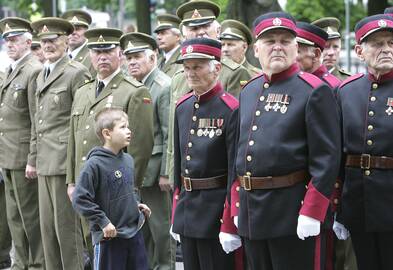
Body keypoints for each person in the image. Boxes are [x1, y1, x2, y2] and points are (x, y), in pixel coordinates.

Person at [224, 12, 341, 270]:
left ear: (296, 47)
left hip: (292, 213)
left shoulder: (313, 90)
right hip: (251, 213)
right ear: (256, 49)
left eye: (285, 41)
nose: (277, 46)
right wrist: (232, 210)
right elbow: (238, 158)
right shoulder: (249, 90)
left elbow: (327, 159)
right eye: (270, 41)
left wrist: (312, 210)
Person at [171, 37, 239, 270]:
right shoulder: (182, 106)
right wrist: (176, 211)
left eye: (198, 66)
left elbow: (234, 170)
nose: (191, 73)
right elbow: (178, 165)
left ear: (216, 68)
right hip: (187, 209)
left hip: (215, 210)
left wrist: (230, 219)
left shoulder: (230, 109)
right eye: (187, 67)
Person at [30, 17, 91, 270]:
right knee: (48, 231)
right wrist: (32, 159)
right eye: (43, 41)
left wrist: (76, 171)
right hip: (45, 161)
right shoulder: (41, 74)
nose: (48, 45)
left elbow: (83, 123)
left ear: (66, 41)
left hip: (65, 161)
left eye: (53, 40)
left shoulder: (76, 73)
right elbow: (37, 121)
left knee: (67, 231)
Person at [335, 14, 393, 270]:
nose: (386, 49)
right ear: (359, 51)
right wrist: (338, 203)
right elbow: (336, 152)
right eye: (377, 44)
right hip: (358, 201)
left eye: (391, 43)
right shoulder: (346, 91)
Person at [120, 32, 175, 270]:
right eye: (128, 57)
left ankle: (165, 267)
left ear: (152, 57)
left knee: (161, 229)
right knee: (141, 229)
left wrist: (166, 172)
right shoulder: (131, 85)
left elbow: (168, 132)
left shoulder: (162, 86)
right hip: (134, 168)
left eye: (137, 56)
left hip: (155, 171)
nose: (132, 62)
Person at [72, 107, 151, 270]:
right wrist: (103, 222)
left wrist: (136, 205)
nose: (129, 131)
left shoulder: (128, 160)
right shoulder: (93, 165)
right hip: (109, 239)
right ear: (107, 134)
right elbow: (80, 198)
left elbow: (127, 191)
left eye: (128, 126)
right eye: (122, 127)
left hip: (133, 234)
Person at [0, 17, 45, 270]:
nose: (9, 43)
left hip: (22, 156)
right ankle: (22, 263)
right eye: (7, 39)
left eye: (15, 39)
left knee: (30, 217)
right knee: (14, 215)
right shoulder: (13, 68)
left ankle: (38, 263)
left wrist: (32, 158)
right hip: (8, 154)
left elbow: (35, 118)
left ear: (29, 41)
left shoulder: (33, 69)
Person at [62, 9, 96, 77]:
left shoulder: (93, 56)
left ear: (86, 32)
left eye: (77, 29)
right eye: (70, 30)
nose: (73, 33)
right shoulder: (60, 55)